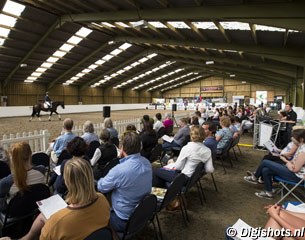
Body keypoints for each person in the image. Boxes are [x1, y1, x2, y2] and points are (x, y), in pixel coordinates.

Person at [21, 158, 110, 240]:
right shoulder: (103, 200)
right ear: (90, 177)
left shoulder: (56, 223)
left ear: (67, 182)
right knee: (43, 216)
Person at [97, 132, 152, 232]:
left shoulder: (119, 170)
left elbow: (101, 187)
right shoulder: (147, 162)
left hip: (124, 220)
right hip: (143, 213)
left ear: (122, 148)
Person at [244, 128, 305, 199]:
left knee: (265, 162)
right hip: (292, 172)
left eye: (294, 137)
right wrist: (289, 162)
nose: (292, 138)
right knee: (266, 170)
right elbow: (295, 162)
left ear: (301, 139)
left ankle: (254, 177)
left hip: (296, 177)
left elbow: (294, 169)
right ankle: (268, 192)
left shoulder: (303, 151)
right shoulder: (301, 147)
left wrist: (287, 162)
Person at [0, 142, 45, 211]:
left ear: (12, 159)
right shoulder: (41, 170)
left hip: (15, 211)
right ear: (30, 154)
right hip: (35, 206)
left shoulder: (7, 182)